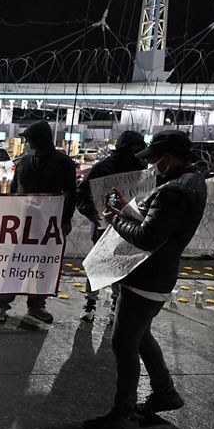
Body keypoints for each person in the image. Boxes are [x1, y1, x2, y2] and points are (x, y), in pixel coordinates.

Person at [83, 130, 207, 429]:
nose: (150, 165)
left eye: (153, 160)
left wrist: (115, 219)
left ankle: (124, 413)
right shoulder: (192, 182)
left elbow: (147, 237)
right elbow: (156, 222)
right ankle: (165, 392)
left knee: (123, 342)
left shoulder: (174, 191)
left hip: (145, 276)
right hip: (157, 275)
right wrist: (127, 209)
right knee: (141, 337)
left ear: (167, 158)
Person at [0, 120, 76, 324]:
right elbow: (14, 191)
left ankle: (37, 306)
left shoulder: (64, 163)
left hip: (50, 225)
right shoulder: (24, 162)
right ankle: (1, 305)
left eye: (29, 138)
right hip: (24, 225)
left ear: (39, 139)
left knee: (44, 267)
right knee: (16, 264)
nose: (27, 142)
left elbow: (71, 193)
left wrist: (66, 220)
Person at [75, 130, 148, 322]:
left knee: (122, 266)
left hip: (129, 226)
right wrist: (91, 212)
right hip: (103, 225)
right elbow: (81, 194)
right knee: (97, 265)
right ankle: (90, 303)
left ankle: (116, 303)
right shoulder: (104, 168)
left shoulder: (142, 170)